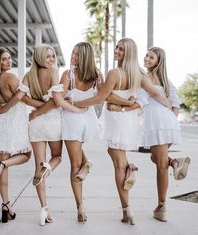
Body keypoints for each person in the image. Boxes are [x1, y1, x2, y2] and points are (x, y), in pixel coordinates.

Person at [74, 38, 172, 225]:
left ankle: (127, 211)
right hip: (129, 121)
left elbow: (100, 98)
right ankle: (130, 168)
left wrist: (76, 104)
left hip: (115, 119)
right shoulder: (139, 75)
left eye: (121, 49)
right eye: (117, 47)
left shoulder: (115, 73)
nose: (117, 50)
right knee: (117, 155)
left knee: (118, 165)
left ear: (128, 53)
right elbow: (156, 93)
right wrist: (170, 108)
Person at [109, 46, 190, 222]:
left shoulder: (144, 78)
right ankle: (175, 162)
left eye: (151, 57)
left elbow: (141, 100)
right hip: (168, 122)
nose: (146, 59)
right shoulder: (167, 81)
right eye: (146, 55)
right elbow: (175, 103)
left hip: (157, 122)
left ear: (158, 61)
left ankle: (162, 207)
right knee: (156, 159)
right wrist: (170, 121)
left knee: (160, 164)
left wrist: (121, 107)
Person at [23, 44, 86, 226]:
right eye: (47, 56)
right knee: (57, 156)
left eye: (52, 56)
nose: (51, 60)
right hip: (51, 121)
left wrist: (35, 112)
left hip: (35, 123)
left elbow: (24, 98)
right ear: (39, 57)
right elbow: (55, 103)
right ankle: (47, 169)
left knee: (38, 167)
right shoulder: (52, 72)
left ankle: (44, 210)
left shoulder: (29, 75)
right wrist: (42, 109)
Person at [0, 47, 32, 223]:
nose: (8, 61)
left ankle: (6, 206)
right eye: (4, 59)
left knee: (2, 174)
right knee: (26, 155)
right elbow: (21, 97)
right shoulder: (10, 77)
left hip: (0, 125)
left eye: (9, 58)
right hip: (15, 123)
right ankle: (2, 164)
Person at [59, 42, 103, 223]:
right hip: (87, 119)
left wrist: (74, 103)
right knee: (77, 163)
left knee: (74, 164)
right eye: (73, 52)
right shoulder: (96, 76)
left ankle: (80, 206)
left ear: (84, 57)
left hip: (74, 119)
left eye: (77, 54)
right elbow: (100, 98)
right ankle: (87, 163)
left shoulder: (69, 75)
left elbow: (59, 99)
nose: (72, 56)